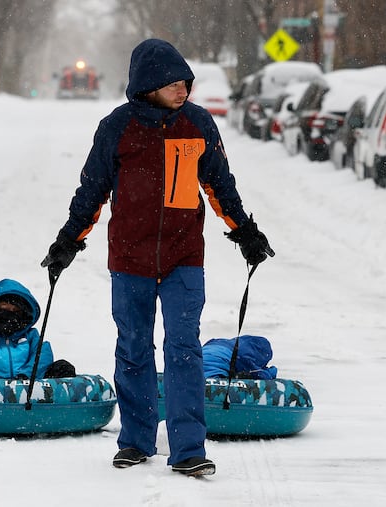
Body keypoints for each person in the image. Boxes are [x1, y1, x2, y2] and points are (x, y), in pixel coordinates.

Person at [41, 39, 273, 477]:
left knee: (184, 348)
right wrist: (68, 241)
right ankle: (135, 440)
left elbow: (220, 184)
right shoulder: (118, 127)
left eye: (185, 81)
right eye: (172, 82)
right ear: (148, 85)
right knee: (133, 348)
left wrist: (244, 231)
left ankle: (188, 448)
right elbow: (92, 191)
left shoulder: (198, 124)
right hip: (130, 258)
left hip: (185, 256)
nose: (182, 89)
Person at [0, 278, 75, 380]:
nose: (9, 312)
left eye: (15, 309)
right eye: (5, 305)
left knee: (63, 368)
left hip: (27, 391)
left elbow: (41, 357)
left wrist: (24, 376)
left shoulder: (31, 336)